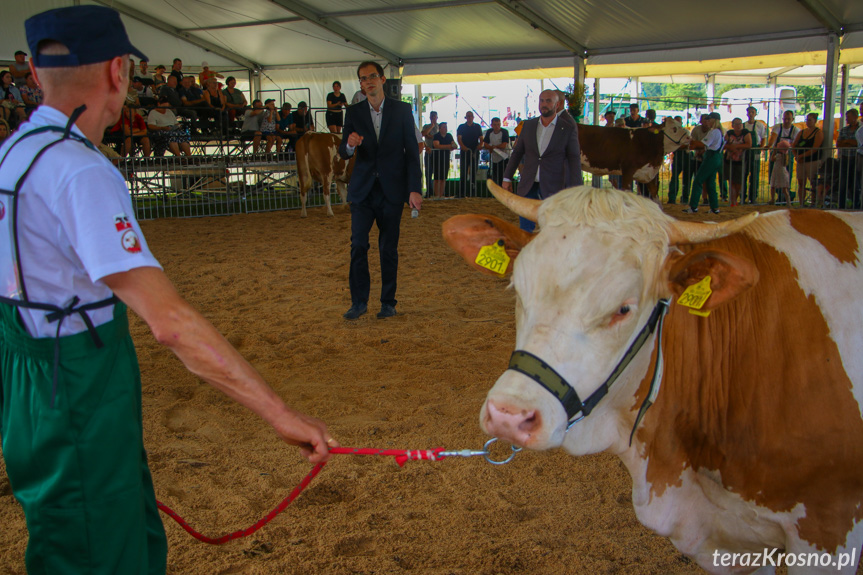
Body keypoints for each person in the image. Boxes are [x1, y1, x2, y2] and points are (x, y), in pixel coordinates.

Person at [0, 7, 336, 575]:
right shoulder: (81, 170)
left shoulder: (12, 152)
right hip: (76, 377)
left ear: (35, 72)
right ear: (117, 72)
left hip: (28, 371)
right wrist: (278, 412)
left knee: (99, 528)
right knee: (96, 549)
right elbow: (169, 322)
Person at [338, 61, 422, 320]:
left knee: (388, 248)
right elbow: (343, 151)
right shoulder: (353, 113)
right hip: (362, 192)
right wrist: (350, 145)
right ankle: (359, 302)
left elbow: (411, 153)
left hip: (392, 191)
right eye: (364, 79)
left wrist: (415, 189)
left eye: (373, 76)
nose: (369, 81)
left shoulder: (402, 110)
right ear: (361, 85)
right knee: (358, 245)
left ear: (383, 79)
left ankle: (388, 302)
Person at [502, 89, 582, 232]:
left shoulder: (568, 128)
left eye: (548, 101)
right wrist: (507, 177)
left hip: (553, 186)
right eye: (541, 100)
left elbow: (573, 158)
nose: (544, 104)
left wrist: (577, 188)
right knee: (525, 229)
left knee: (553, 228)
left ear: (557, 105)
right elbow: (517, 152)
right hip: (528, 184)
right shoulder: (528, 125)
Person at [684, 112, 724, 214]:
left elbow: (702, 144)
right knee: (711, 183)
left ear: (714, 120)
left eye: (709, 119)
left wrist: (691, 141)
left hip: (711, 157)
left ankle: (693, 206)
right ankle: (714, 207)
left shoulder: (713, 132)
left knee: (698, 180)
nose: (708, 121)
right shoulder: (720, 132)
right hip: (716, 157)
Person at [767, 110, 801, 203]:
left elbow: (795, 144)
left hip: (787, 155)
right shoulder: (778, 127)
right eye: (784, 119)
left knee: (786, 176)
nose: (786, 121)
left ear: (792, 119)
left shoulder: (796, 130)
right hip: (776, 153)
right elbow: (773, 138)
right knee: (773, 176)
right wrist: (769, 146)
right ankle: (778, 197)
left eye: (788, 119)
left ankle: (784, 197)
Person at [791, 112, 824, 207]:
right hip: (801, 161)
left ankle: (813, 203)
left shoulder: (818, 133)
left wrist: (801, 156)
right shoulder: (801, 132)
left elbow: (814, 149)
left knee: (813, 182)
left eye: (810, 120)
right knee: (801, 183)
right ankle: (801, 203)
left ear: (815, 121)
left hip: (812, 161)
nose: (807, 122)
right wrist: (796, 155)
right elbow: (794, 145)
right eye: (807, 120)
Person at [723, 117, 751, 207]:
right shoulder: (729, 133)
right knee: (731, 181)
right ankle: (733, 201)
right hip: (729, 160)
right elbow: (723, 143)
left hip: (741, 160)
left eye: (740, 124)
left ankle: (735, 199)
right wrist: (731, 147)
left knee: (738, 182)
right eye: (736, 124)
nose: (738, 126)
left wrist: (736, 146)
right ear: (733, 125)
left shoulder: (746, 133)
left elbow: (749, 144)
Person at [836, 108, 861, 209]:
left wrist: (847, 142)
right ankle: (841, 206)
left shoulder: (860, 129)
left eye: (848, 117)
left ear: (855, 117)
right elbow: (839, 144)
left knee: (856, 183)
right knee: (842, 183)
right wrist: (851, 142)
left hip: (856, 159)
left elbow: (858, 144)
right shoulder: (844, 130)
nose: (846, 119)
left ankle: (856, 206)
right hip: (845, 158)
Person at [742, 106, 766, 204]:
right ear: (747, 114)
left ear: (756, 113)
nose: (751, 114)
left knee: (755, 174)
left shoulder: (760, 125)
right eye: (749, 112)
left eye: (753, 112)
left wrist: (760, 149)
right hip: (745, 152)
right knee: (744, 173)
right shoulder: (743, 125)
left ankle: (753, 197)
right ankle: (743, 196)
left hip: (755, 151)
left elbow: (763, 137)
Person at [667, 115, 693, 205]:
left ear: (681, 123)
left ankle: (685, 199)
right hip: (677, 155)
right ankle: (672, 198)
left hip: (687, 155)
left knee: (687, 179)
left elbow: (688, 144)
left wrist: (676, 146)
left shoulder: (686, 132)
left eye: (679, 121)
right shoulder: (672, 133)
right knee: (674, 178)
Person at [457, 111, 482, 197]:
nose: (469, 118)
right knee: (463, 173)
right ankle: (462, 193)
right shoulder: (461, 127)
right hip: (465, 152)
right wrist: (463, 147)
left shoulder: (477, 127)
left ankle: (473, 193)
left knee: (473, 173)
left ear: (473, 117)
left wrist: (480, 145)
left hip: (474, 152)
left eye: (471, 116)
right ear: (466, 117)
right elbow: (459, 138)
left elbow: (481, 138)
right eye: (468, 116)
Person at [483, 117, 510, 186]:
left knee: (503, 176)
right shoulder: (489, 132)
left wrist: (494, 147)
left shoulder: (504, 132)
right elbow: (485, 143)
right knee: (495, 176)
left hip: (504, 157)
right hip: (494, 158)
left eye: (498, 124)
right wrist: (491, 147)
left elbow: (504, 145)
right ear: (492, 125)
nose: (497, 126)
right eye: (495, 125)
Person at [432, 121, 456, 198]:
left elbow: (454, 145)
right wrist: (449, 146)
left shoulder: (449, 136)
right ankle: (436, 195)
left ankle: (441, 195)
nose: (445, 128)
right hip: (437, 159)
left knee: (443, 178)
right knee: (437, 178)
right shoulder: (436, 136)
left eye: (446, 127)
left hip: (446, 158)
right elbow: (436, 146)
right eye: (444, 127)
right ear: (440, 128)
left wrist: (448, 146)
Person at [421, 111, 439, 196]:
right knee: (428, 172)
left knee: (437, 172)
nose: (433, 118)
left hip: (437, 152)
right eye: (431, 116)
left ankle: (437, 191)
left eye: (434, 116)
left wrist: (430, 136)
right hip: (428, 151)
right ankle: (429, 191)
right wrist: (431, 126)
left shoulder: (439, 126)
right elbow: (423, 134)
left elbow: (438, 137)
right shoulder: (426, 126)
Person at [769, 139, 792, 205]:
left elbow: (772, 159)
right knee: (784, 189)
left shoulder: (779, 155)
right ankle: (788, 202)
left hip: (777, 172)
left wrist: (774, 152)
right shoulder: (785, 155)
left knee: (773, 186)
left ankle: (772, 199)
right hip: (782, 172)